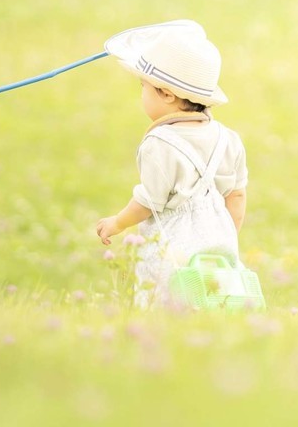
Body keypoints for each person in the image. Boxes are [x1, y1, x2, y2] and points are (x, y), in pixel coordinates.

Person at [94, 20, 247, 308]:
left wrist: (117, 222)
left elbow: (149, 201)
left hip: (172, 247)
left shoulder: (159, 144)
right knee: (216, 308)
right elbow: (236, 195)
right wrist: (225, 236)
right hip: (220, 245)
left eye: (144, 87)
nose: (142, 94)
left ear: (166, 94)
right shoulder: (229, 139)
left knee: (165, 307)